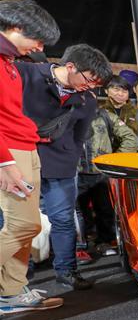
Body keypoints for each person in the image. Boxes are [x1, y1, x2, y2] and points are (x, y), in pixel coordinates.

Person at [17, 43, 113, 291]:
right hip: (21, 161)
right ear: (70, 66)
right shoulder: (26, 74)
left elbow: (80, 137)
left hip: (61, 167)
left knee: (63, 220)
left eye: (96, 85)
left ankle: (66, 271)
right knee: (19, 222)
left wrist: (70, 161)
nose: (91, 87)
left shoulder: (87, 100)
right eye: (89, 80)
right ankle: (19, 276)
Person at [0, 0, 64, 314]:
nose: (39, 47)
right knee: (24, 226)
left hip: (24, 147)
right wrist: (5, 162)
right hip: (10, 153)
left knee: (25, 227)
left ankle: (11, 292)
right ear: (15, 27)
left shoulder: (9, 63)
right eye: (37, 39)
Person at [77, 103, 138, 254]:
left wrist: (114, 160)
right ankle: (81, 246)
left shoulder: (105, 116)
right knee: (77, 212)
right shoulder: (67, 115)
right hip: (75, 173)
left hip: (102, 173)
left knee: (105, 210)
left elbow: (130, 138)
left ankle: (104, 242)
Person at [100, 76, 138, 152]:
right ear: (106, 90)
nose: (120, 94)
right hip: (106, 157)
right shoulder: (100, 113)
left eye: (125, 91)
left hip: (134, 157)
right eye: (116, 89)